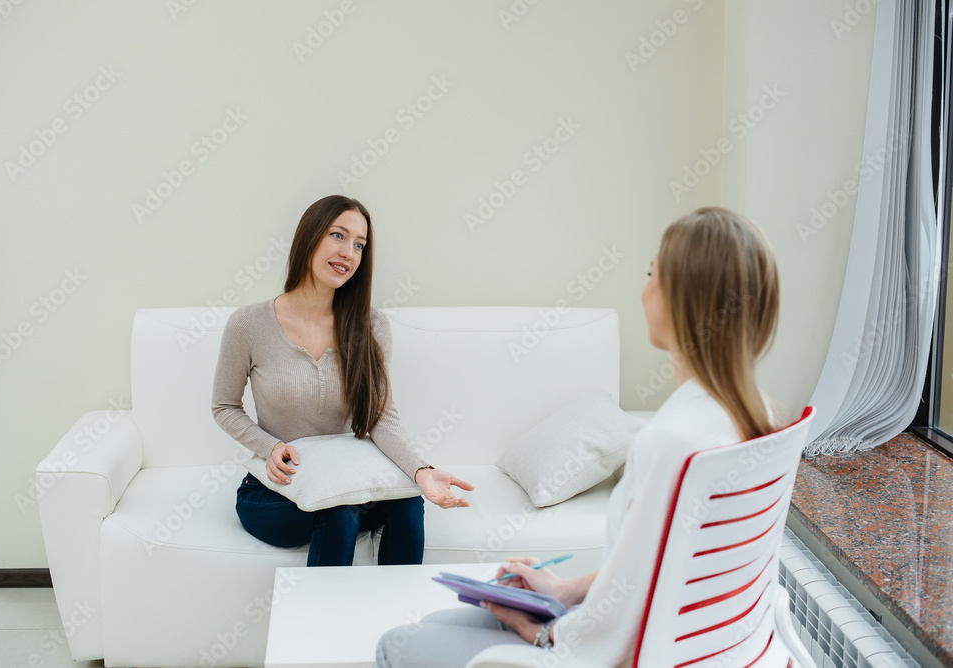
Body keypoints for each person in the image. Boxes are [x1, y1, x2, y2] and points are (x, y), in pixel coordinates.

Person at [375, 206, 783, 666]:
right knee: (432, 626)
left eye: (653, 273)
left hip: (604, 653)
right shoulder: (756, 416)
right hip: (719, 649)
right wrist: (565, 590)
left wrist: (543, 633)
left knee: (396, 645)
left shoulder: (670, 444)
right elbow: (652, 569)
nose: (645, 289)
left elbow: (614, 631)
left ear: (684, 299)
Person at [211, 194, 473, 567]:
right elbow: (224, 406)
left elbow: (380, 416)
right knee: (338, 512)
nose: (349, 252)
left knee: (407, 501)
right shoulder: (248, 324)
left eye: (359, 244)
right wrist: (270, 446)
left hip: (347, 483)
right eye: (338, 235)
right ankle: (324, 623)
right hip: (275, 491)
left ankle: (398, 617)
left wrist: (421, 470)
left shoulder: (372, 326)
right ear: (310, 237)